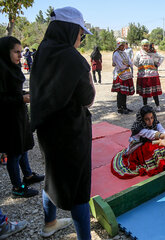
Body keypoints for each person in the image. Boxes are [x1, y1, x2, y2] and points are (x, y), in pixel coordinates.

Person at [30, 7, 95, 239]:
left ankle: (50, 223)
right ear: (70, 30)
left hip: (48, 131)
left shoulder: (42, 51)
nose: (81, 38)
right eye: (80, 33)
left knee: (52, 176)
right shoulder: (74, 59)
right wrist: (89, 76)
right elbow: (87, 100)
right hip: (71, 134)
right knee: (78, 190)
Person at [0, 36, 44, 198]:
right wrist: (21, 98)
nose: (20, 55)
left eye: (20, 52)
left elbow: (13, 92)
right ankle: (17, 187)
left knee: (23, 148)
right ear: (5, 52)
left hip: (19, 115)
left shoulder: (12, 67)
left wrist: (25, 94)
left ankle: (28, 176)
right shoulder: (1, 69)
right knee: (14, 153)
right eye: (16, 52)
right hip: (8, 119)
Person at [111, 105, 165, 179]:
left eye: (152, 118)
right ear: (142, 119)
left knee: (164, 145)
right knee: (156, 147)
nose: (150, 121)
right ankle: (163, 165)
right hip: (139, 148)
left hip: (153, 142)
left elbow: (162, 130)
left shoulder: (155, 122)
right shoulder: (137, 127)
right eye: (147, 119)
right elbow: (150, 134)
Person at [133, 39, 164, 112]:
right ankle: (145, 106)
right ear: (142, 46)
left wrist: (157, 65)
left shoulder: (153, 53)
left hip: (153, 76)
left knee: (154, 92)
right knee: (145, 93)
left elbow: (162, 57)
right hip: (143, 76)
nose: (145, 47)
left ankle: (157, 105)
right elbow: (135, 62)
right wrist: (141, 67)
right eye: (144, 46)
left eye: (147, 46)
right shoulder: (138, 53)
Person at [111, 39, 134, 114]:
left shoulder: (124, 53)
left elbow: (130, 62)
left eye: (123, 45)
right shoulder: (116, 54)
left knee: (125, 92)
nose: (122, 47)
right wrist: (127, 65)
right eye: (121, 45)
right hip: (120, 74)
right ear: (118, 46)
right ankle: (119, 108)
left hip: (126, 74)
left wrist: (128, 65)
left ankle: (124, 106)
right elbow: (120, 66)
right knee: (120, 92)